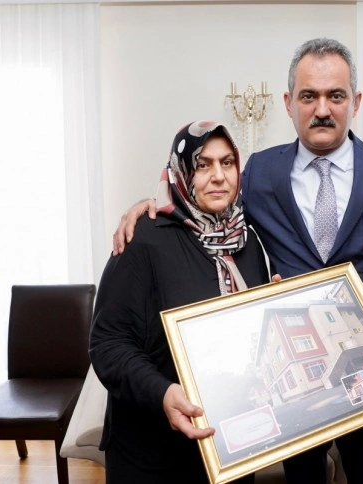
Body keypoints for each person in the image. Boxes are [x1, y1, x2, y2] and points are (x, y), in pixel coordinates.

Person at [113, 38, 363, 484]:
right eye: (309, 96)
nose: (322, 108)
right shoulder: (260, 172)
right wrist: (149, 205)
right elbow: (205, 203)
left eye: (335, 95)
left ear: (355, 102)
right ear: (288, 103)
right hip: (293, 379)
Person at [90, 121, 270, 483]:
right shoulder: (143, 239)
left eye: (228, 163)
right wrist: (163, 393)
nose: (218, 176)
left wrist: (270, 310)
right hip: (152, 451)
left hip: (228, 445)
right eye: (203, 165)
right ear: (181, 171)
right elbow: (107, 344)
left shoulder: (248, 242)